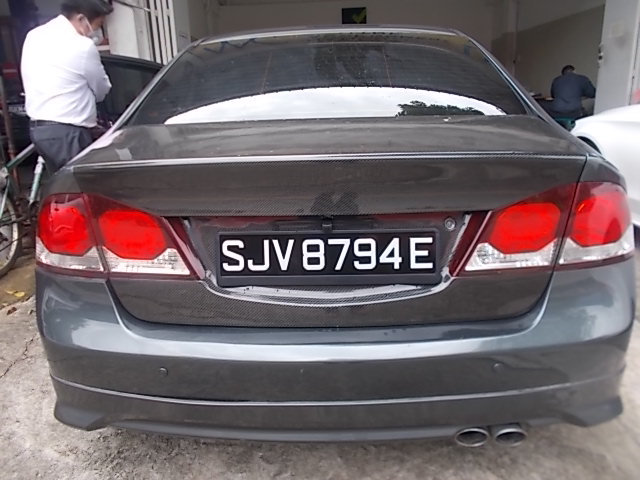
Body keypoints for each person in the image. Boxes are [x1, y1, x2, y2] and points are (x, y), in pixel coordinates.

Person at [21, 0, 114, 174]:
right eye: (98, 24)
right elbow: (101, 88)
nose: (96, 31)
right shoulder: (82, 46)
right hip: (69, 132)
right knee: (80, 186)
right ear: (81, 19)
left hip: (39, 130)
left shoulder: (34, 35)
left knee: (62, 184)